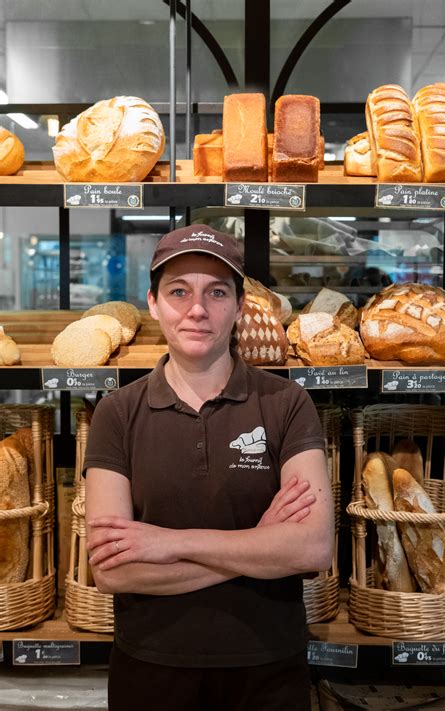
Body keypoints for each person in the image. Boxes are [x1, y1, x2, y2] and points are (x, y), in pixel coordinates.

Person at [84, 224, 334, 711]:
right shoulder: (117, 412)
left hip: (268, 672)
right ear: (153, 303)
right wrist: (259, 545)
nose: (197, 309)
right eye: (179, 291)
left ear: (240, 306)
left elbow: (312, 547)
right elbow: (113, 570)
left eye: (217, 292)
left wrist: (166, 543)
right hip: (150, 671)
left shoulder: (286, 403)